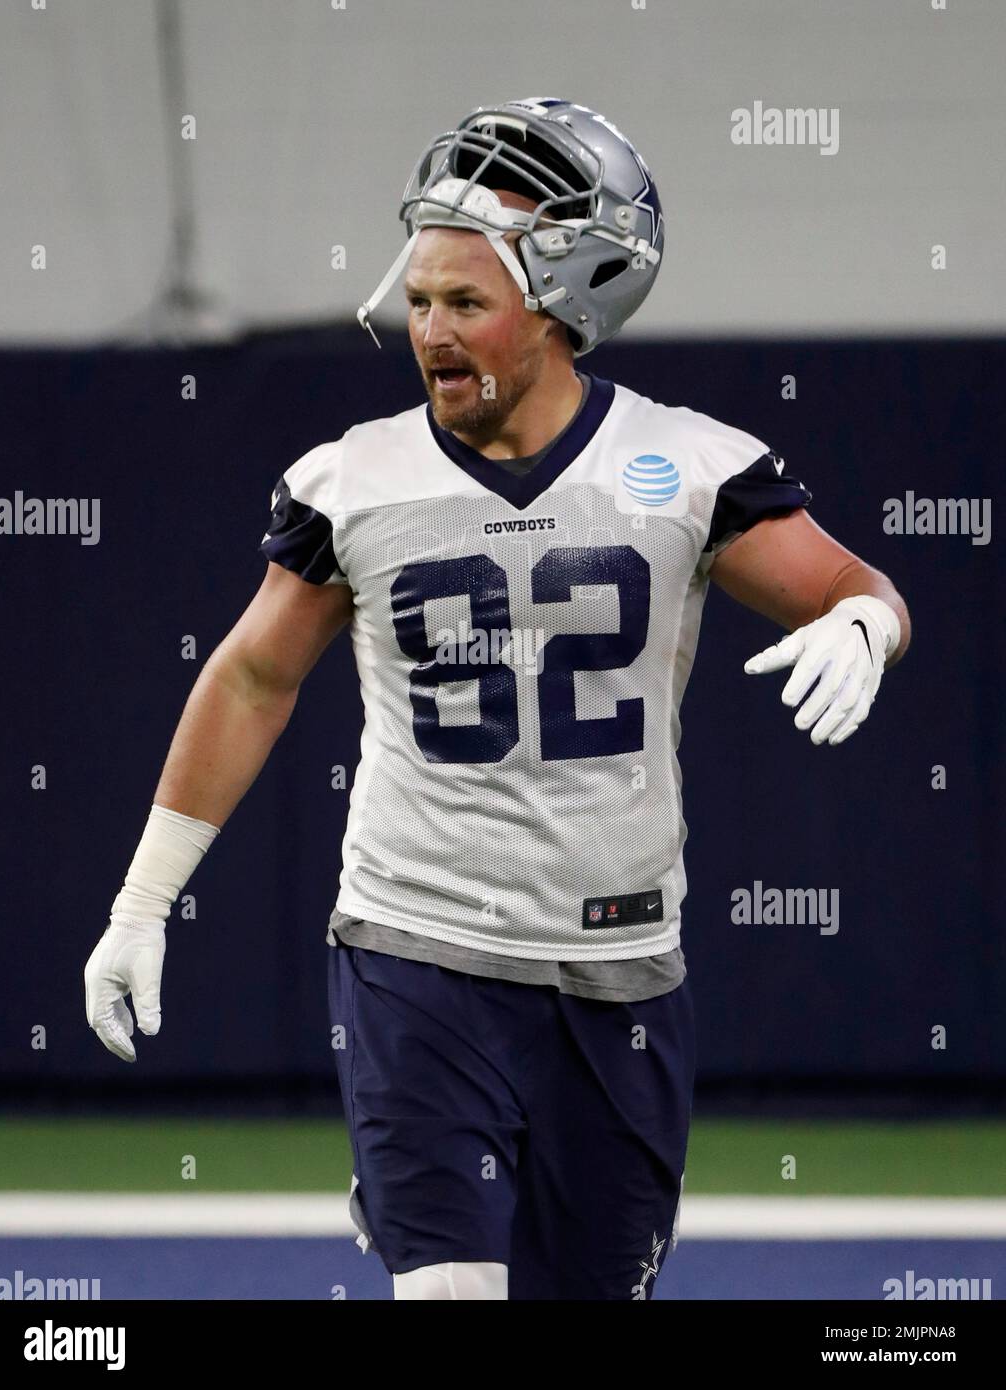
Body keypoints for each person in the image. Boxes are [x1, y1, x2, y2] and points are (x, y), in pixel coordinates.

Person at [85, 99, 911, 1301]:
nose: (431, 330)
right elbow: (256, 673)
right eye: (419, 300)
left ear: (566, 303)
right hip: (417, 948)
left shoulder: (686, 465)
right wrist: (143, 901)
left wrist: (866, 624)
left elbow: (853, 583)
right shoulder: (355, 480)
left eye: (467, 302)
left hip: (619, 969)